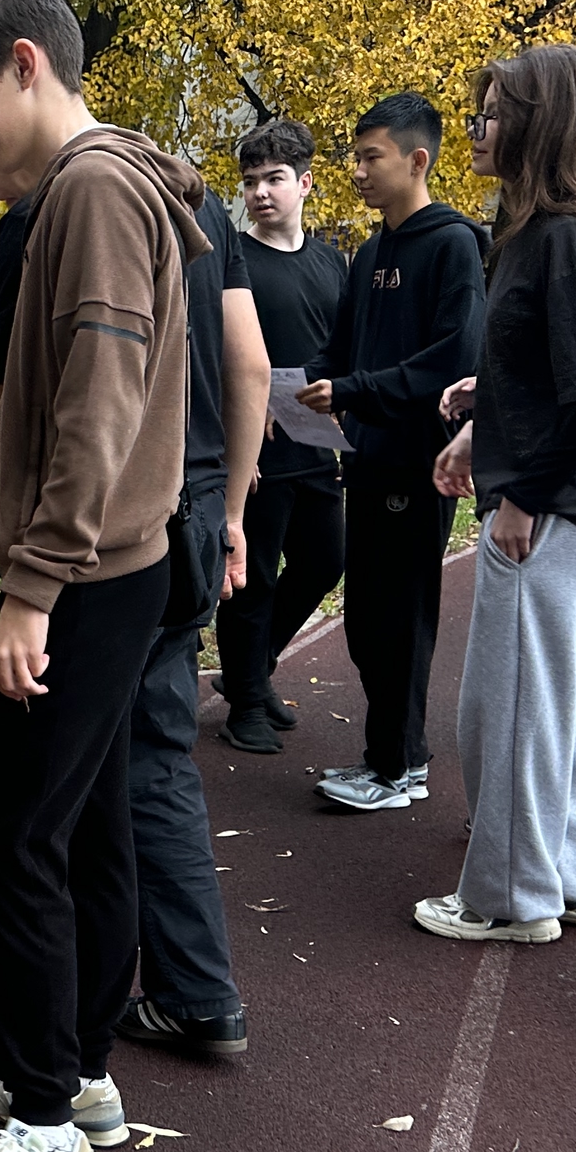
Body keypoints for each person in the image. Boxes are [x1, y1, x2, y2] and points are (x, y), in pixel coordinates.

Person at [0, 0, 210, 1152]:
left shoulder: (91, 193)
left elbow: (102, 408)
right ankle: (76, 1078)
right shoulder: (83, 194)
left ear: (23, 64)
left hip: (83, 576)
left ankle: (43, 1134)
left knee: (11, 842)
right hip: (111, 567)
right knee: (85, 834)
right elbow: (12, 410)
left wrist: (28, 588)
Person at [416, 45, 576, 944]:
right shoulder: (537, 232)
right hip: (572, 506)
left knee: (511, 710)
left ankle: (510, 899)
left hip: (557, 513)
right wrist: (484, 415)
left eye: (497, 111)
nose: (479, 127)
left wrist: (526, 497)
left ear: (542, 125)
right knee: (575, 705)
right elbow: (555, 370)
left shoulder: (564, 240)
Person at [301, 95, 488, 811]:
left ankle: (398, 766)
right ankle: (390, 756)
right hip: (367, 458)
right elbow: (341, 346)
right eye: (353, 157)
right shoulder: (373, 250)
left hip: (420, 460)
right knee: (368, 612)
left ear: (417, 159)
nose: (357, 171)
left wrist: (351, 388)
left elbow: (455, 358)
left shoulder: (453, 245)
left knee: (401, 612)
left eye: (370, 156)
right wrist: (308, 386)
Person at [216, 119, 350, 755]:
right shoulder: (230, 261)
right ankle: (245, 700)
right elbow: (215, 355)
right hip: (256, 450)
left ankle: (253, 668)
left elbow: (339, 351)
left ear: (305, 182)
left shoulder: (330, 263)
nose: (261, 192)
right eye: (250, 182)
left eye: (273, 179)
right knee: (254, 576)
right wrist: (244, 422)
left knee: (327, 559)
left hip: (316, 442)